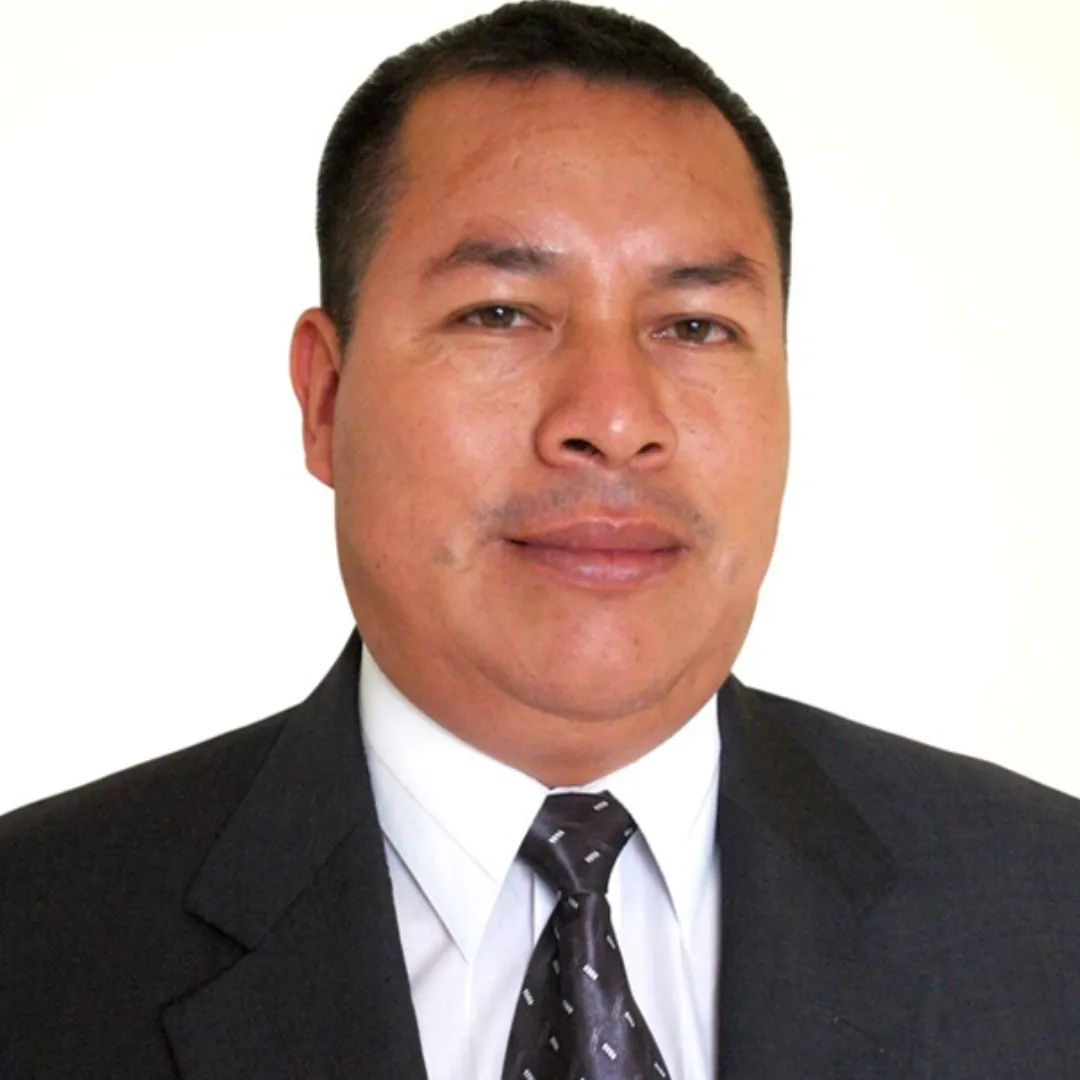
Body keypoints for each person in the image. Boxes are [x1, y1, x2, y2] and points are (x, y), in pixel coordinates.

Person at [2, 2, 1078, 1077]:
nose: (612, 418)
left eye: (694, 326)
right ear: (325, 400)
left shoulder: (1048, 913)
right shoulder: (38, 945)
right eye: (501, 314)